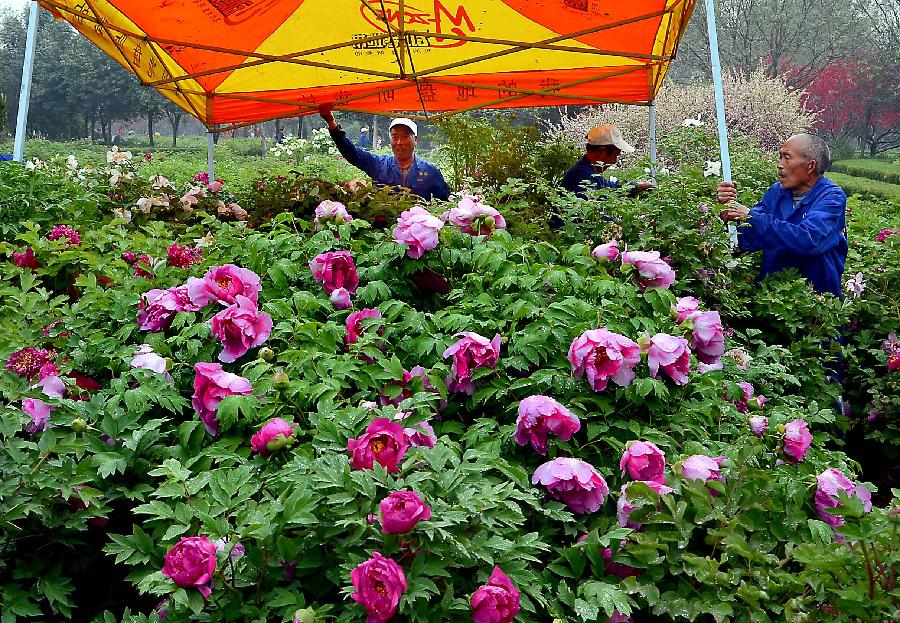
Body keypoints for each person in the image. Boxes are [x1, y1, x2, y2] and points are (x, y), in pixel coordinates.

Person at [717, 133, 847, 297]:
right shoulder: (776, 193)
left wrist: (750, 216)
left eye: (787, 157)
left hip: (816, 304)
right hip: (772, 299)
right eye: (779, 157)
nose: (779, 164)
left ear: (810, 166)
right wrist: (728, 213)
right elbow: (746, 239)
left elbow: (808, 240)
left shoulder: (831, 198)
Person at [319, 104, 450, 201]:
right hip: (384, 233)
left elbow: (443, 203)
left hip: (418, 234)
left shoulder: (430, 171)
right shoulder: (378, 164)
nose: (399, 142)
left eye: (405, 137)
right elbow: (352, 153)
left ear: (415, 140)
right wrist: (332, 123)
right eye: (395, 137)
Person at [562, 124, 654, 199]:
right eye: (615, 155)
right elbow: (592, 215)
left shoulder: (590, 171)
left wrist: (636, 186)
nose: (614, 161)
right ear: (602, 151)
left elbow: (611, 188)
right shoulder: (583, 176)